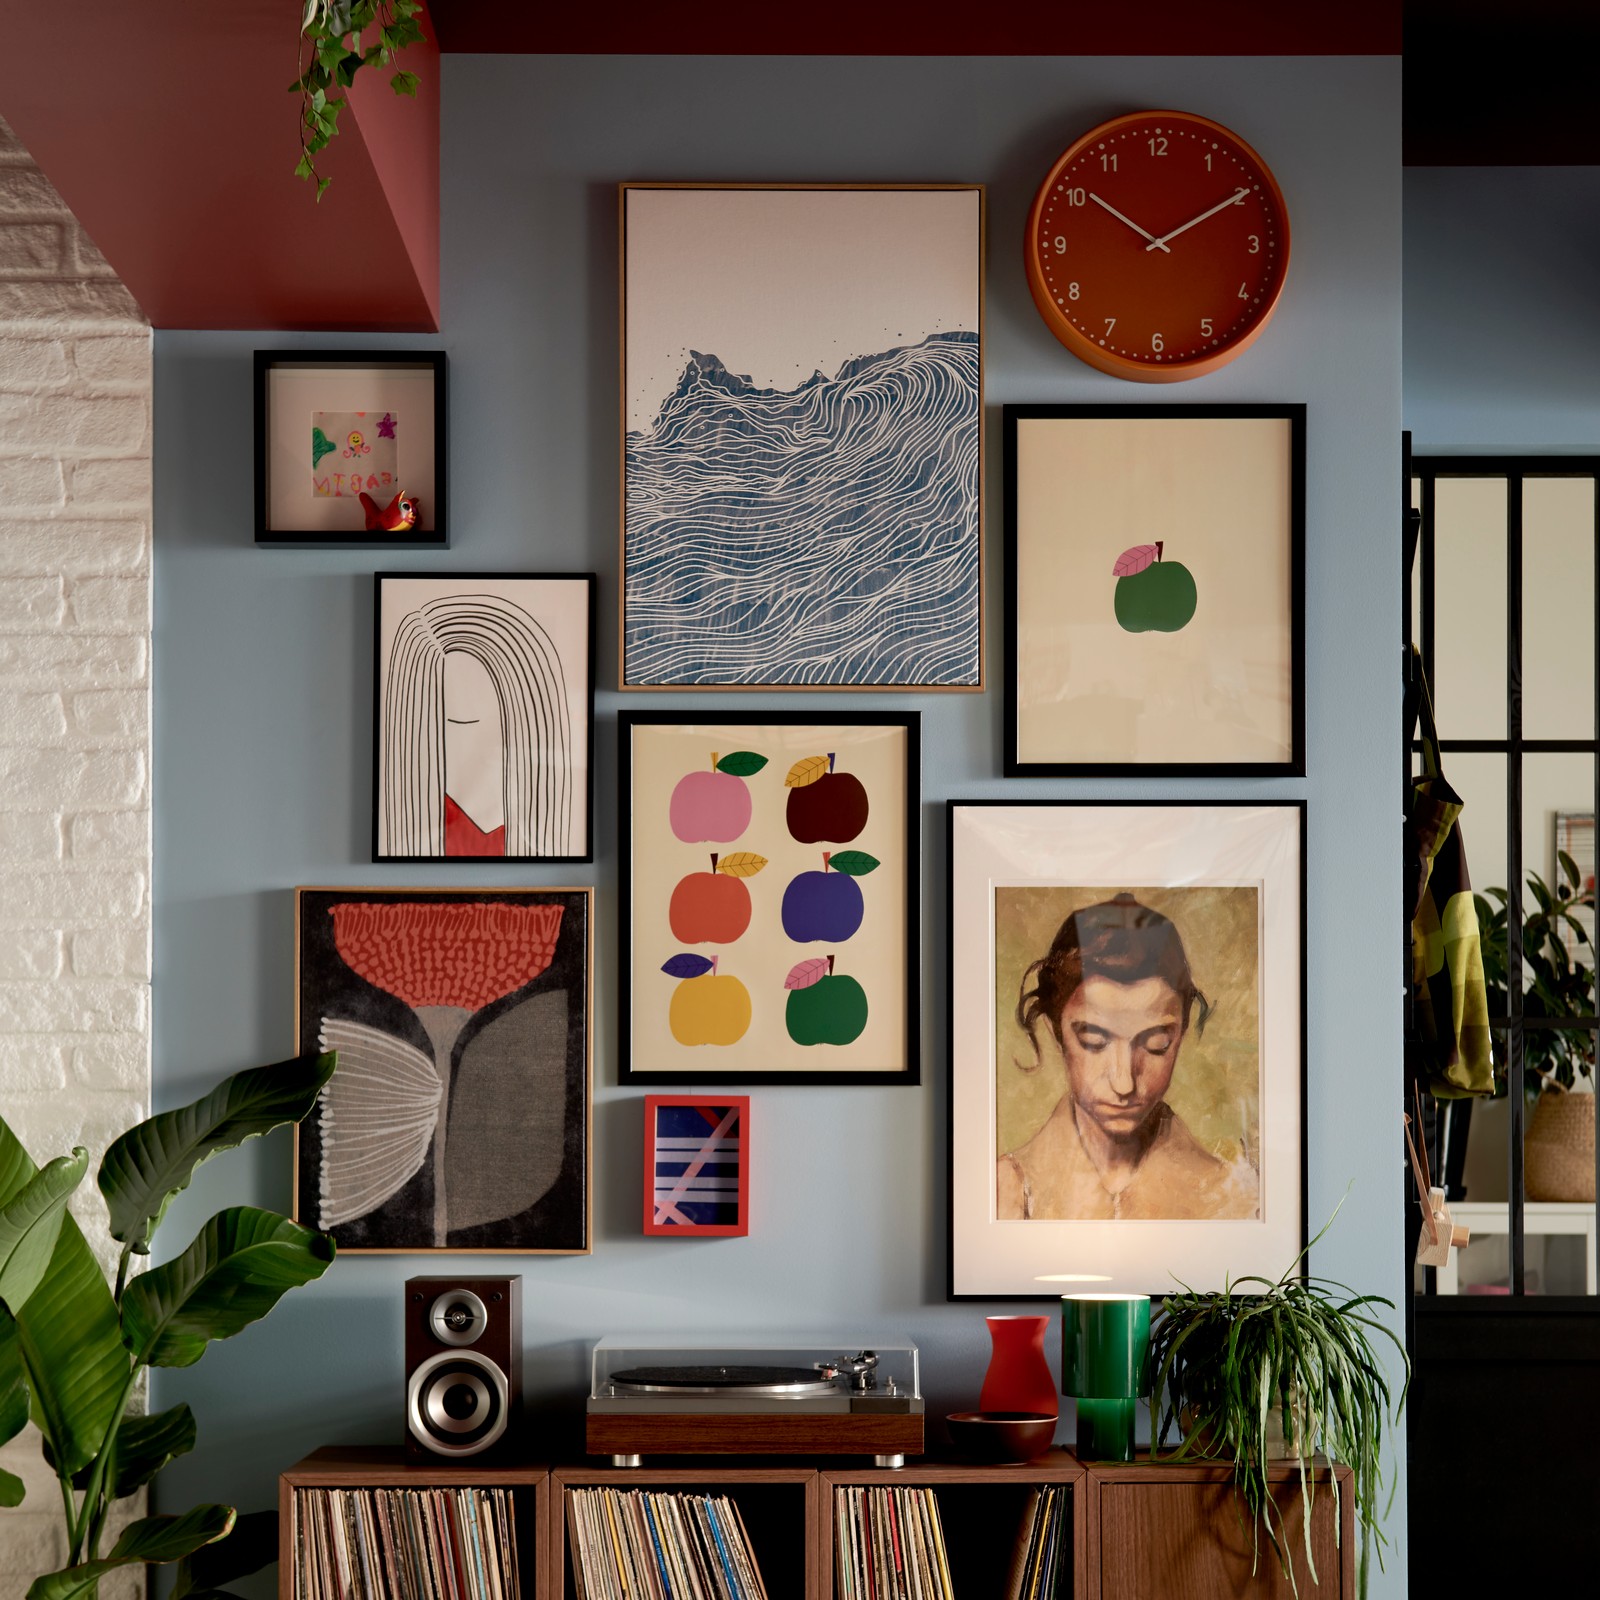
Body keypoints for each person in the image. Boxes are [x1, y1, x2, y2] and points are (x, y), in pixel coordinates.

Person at [997, 892, 1258, 1221]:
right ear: (1055, 1030)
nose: (1124, 1083)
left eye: (1156, 1043)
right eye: (1094, 1040)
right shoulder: (1008, 1190)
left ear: (1181, 1032)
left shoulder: (1235, 1201)